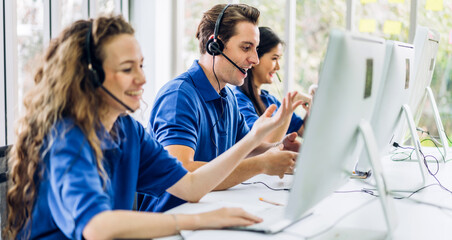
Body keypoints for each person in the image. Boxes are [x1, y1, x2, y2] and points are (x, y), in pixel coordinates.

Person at [5, 15, 296, 240]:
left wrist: (252, 139)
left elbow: (190, 187)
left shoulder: (128, 130)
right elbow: (97, 226)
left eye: (141, 65)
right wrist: (199, 220)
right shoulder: (66, 138)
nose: (142, 79)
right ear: (90, 77)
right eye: (127, 69)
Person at [138, 4, 303, 213]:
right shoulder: (179, 96)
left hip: (210, 213)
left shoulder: (229, 97)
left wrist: (278, 148)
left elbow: (247, 149)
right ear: (213, 46)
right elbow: (182, 171)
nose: (255, 59)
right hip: (171, 220)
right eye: (246, 48)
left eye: (255, 48)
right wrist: (262, 164)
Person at [233, 26, 313, 142]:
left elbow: (304, 130)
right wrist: (289, 108)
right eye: (274, 58)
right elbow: (260, 143)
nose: (278, 67)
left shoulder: (270, 100)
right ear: (255, 58)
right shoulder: (239, 101)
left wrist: (313, 102)